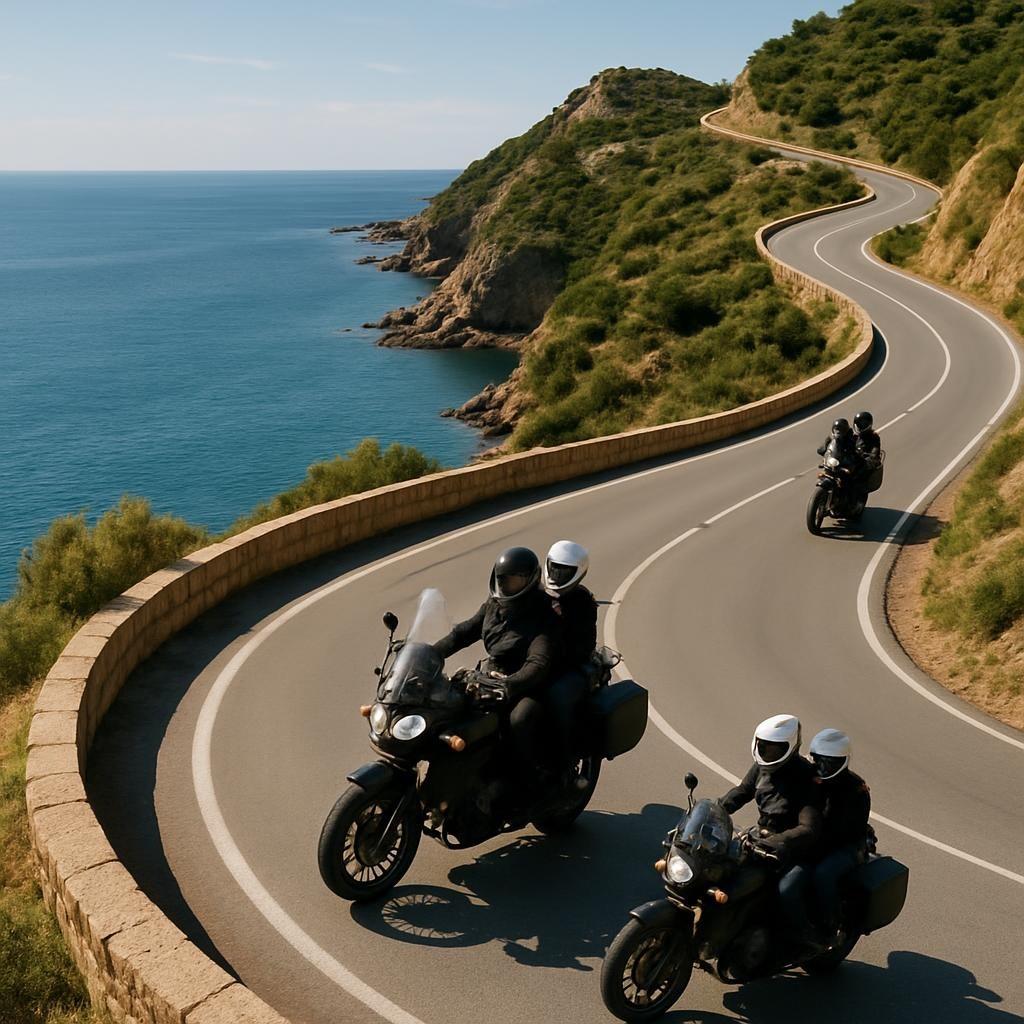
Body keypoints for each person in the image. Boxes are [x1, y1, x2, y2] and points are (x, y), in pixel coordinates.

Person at [431, 546, 561, 795]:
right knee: (449, 709)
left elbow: (538, 661)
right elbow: (463, 633)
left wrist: (510, 685)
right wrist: (431, 653)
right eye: (504, 579)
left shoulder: (544, 613)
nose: (508, 585)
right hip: (492, 677)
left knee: (519, 720)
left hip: (526, 683)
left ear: (531, 580)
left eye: (515, 580)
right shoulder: (494, 605)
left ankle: (530, 783)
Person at [778, 728, 872, 952]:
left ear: (843, 762)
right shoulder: (810, 779)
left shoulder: (855, 790)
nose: (822, 768)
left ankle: (826, 926)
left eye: (829, 763)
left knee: (821, 875)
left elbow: (843, 833)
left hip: (846, 847)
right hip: (812, 842)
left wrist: (801, 846)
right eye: (819, 761)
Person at [718, 714, 823, 868]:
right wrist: (715, 809)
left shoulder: (807, 778)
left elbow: (808, 828)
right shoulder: (761, 768)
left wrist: (777, 841)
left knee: (787, 889)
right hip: (758, 838)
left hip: (788, 849)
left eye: (774, 750)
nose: (767, 754)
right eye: (763, 748)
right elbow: (742, 791)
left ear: (791, 746)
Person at [541, 540, 598, 771]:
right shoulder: (536, 593)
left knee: (557, 697)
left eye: (564, 571)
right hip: (536, 663)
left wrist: (552, 660)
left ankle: (562, 762)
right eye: (555, 568)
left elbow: (582, 646)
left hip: (569, 667)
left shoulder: (583, 601)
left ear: (578, 572)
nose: (557, 575)